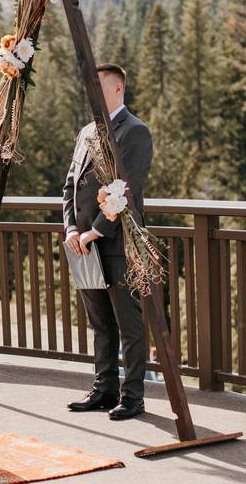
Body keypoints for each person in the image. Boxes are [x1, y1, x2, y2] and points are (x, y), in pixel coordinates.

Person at [62, 63, 153, 420]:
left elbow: (126, 189)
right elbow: (69, 184)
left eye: (97, 87)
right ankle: (104, 388)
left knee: (127, 323)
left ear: (117, 89)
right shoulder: (86, 131)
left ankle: (133, 396)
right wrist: (71, 229)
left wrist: (97, 229)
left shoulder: (135, 132)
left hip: (117, 242)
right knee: (100, 322)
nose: (91, 93)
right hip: (82, 243)